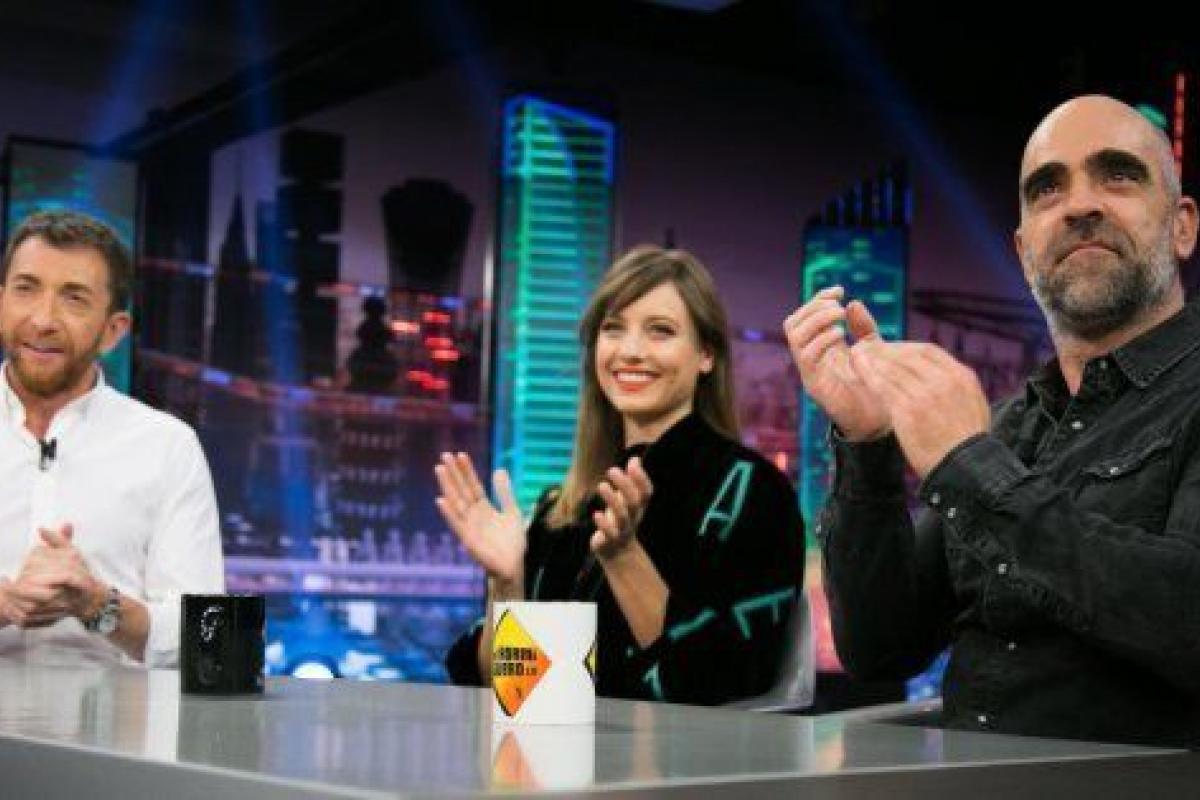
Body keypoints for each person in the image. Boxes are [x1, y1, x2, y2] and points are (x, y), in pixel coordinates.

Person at [785, 95, 1200, 746]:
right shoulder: (1005, 429)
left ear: (1182, 227)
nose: (1079, 205)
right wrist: (867, 444)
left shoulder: (980, 449)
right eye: (1047, 188)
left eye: (1118, 174)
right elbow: (879, 647)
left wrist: (975, 471)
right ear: (1023, 250)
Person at [441, 246, 804, 704]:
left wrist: (623, 557)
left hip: (678, 752)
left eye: (661, 331)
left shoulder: (753, 492)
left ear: (706, 354)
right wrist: (506, 586)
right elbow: (515, 693)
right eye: (613, 329)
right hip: (549, 749)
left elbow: (721, 680)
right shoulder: (561, 509)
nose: (630, 352)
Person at [0, 210, 224, 667]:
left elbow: (208, 640)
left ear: (113, 331)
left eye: (74, 298)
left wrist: (98, 605)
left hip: (113, 715)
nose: (42, 319)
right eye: (26, 289)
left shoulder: (167, 448)